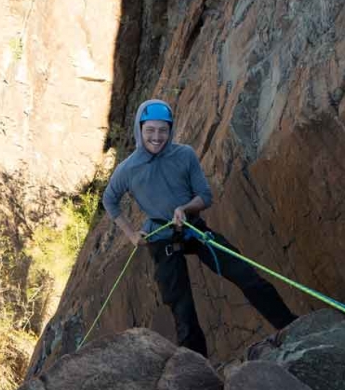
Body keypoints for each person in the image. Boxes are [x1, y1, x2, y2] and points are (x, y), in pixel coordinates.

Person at [102, 99, 297, 357]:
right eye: (150, 130)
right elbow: (109, 199)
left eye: (163, 130)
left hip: (193, 228)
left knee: (246, 275)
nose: (157, 137)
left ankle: (293, 328)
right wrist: (130, 234)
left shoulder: (184, 155)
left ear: (170, 130)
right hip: (162, 238)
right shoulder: (128, 169)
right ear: (140, 130)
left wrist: (186, 208)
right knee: (183, 312)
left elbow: (204, 196)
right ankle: (198, 374)